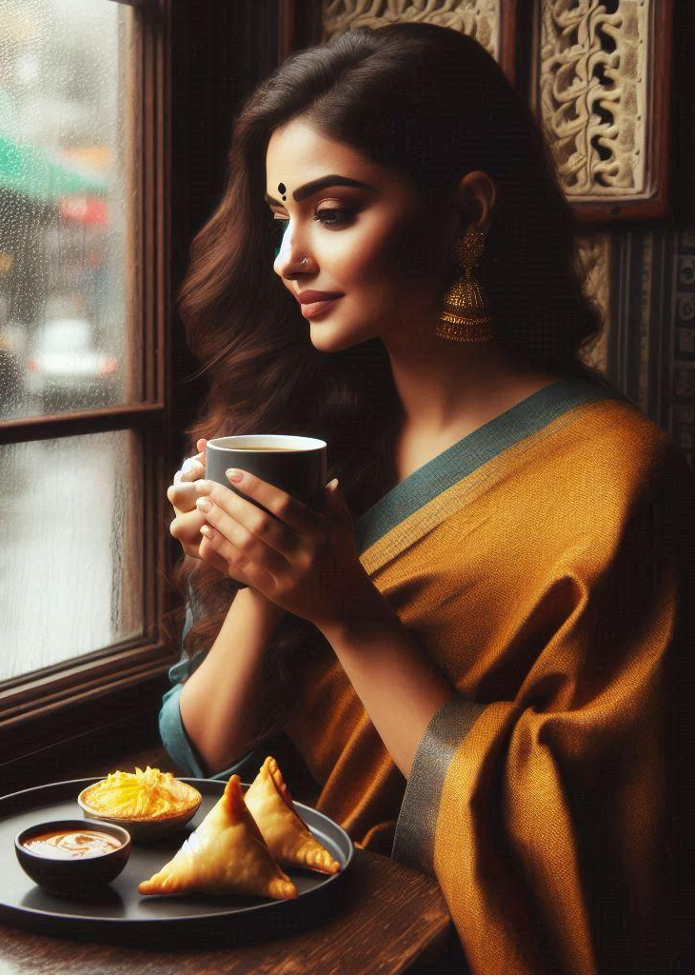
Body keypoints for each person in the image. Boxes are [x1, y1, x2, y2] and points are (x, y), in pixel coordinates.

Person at [159, 22, 694, 976]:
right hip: (274, 936)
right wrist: (260, 572)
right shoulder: (319, 441)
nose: (286, 256)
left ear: (467, 215)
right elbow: (206, 751)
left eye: (332, 211)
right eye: (282, 213)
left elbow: (589, 846)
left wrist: (347, 612)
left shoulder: (617, 481)